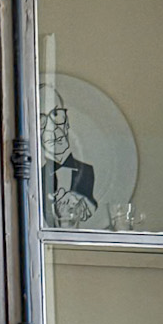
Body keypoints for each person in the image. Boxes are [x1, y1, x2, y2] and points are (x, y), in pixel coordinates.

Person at [40, 91, 98, 225]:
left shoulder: (87, 171)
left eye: (57, 115)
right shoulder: (35, 177)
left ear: (67, 122)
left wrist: (82, 203)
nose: (52, 129)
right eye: (42, 121)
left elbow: (96, 207)